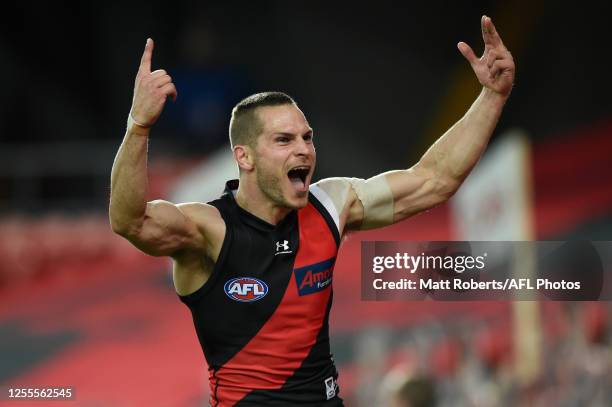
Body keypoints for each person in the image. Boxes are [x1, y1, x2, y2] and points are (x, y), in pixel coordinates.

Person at [109, 15, 514, 407]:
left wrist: (492, 97)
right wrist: (138, 126)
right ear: (244, 157)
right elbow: (130, 220)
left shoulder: (331, 204)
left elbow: (434, 181)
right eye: (284, 140)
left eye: (307, 137)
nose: (303, 148)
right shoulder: (207, 229)